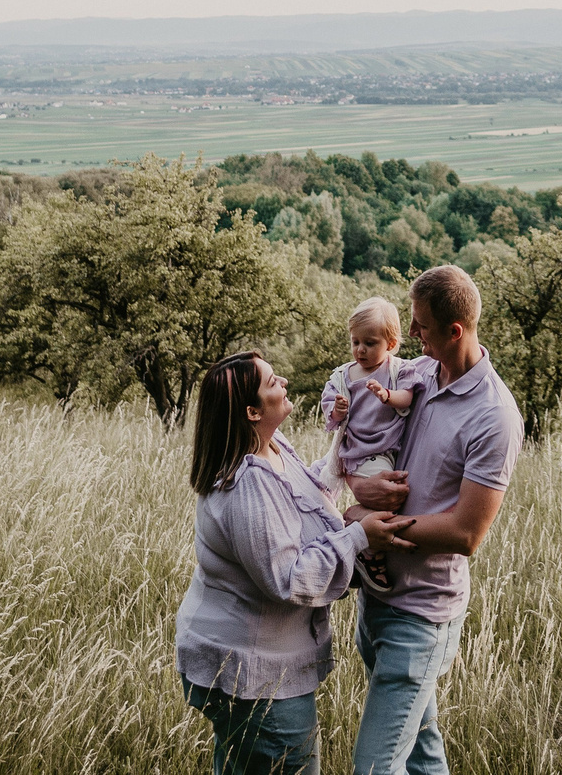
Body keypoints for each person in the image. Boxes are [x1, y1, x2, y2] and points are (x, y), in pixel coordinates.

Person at [177, 351, 417, 775]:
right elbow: (290, 578)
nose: (284, 381)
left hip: (251, 664)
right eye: (272, 382)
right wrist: (359, 536)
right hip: (250, 673)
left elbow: (309, 493)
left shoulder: (272, 447)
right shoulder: (248, 482)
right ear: (252, 412)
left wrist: (357, 476)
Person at [341, 265, 523, 775]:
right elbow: (367, 452)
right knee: (421, 751)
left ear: (454, 331)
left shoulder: (495, 416)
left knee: (375, 768)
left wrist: (368, 528)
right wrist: (359, 497)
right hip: (375, 600)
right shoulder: (419, 374)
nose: (412, 335)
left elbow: (467, 533)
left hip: (420, 615)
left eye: (420, 326)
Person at [321, 297, 436, 590]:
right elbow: (329, 414)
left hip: (387, 452)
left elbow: (407, 397)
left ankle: (354, 533)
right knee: (389, 504)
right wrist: (337, 410)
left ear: (391, 344)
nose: (360, 349)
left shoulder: (398, 371)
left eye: (370, 343)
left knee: (394, 500)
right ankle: (369, 555)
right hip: (361, 454)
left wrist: (387, 395)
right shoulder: (343, 377)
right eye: (355, 341)